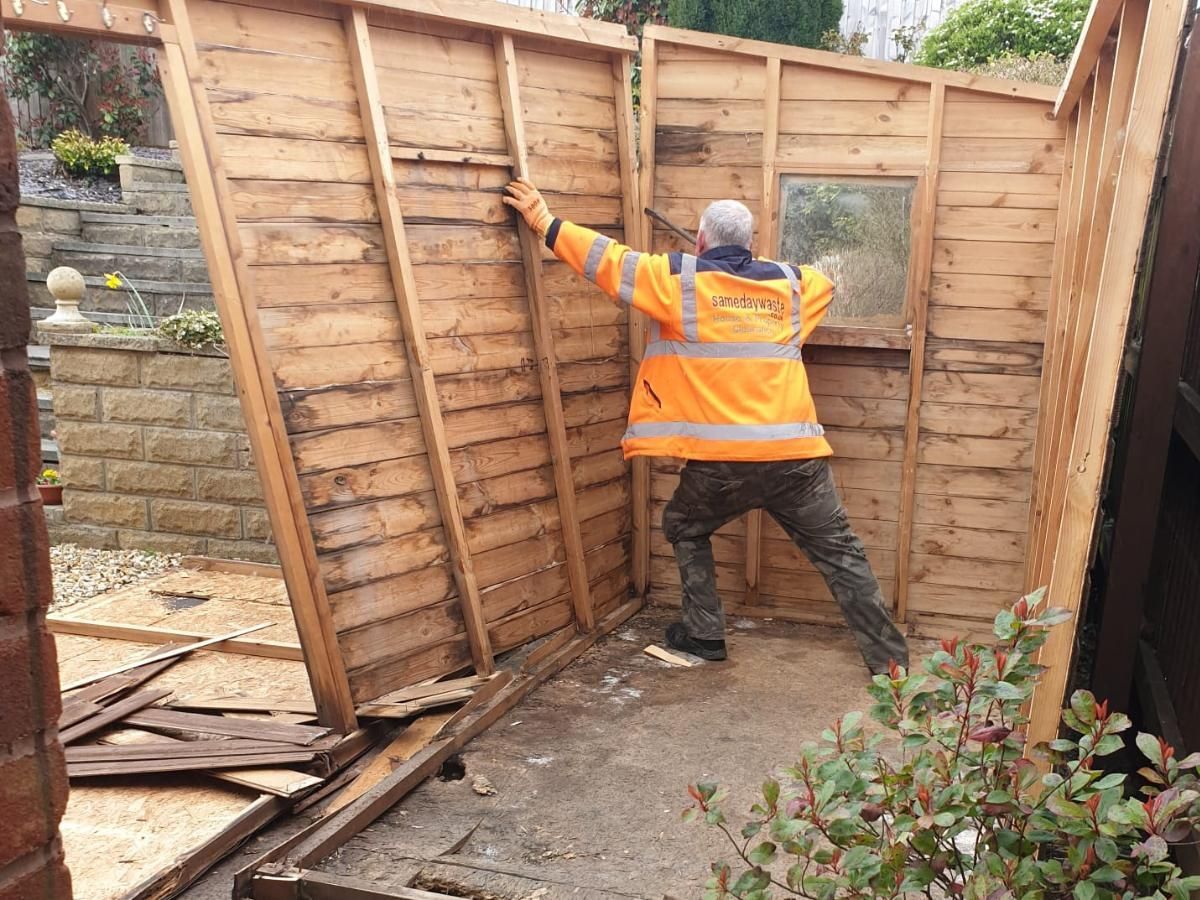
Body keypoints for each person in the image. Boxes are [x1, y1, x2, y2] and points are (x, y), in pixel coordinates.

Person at [502, 178, 909, 675]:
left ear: (700, 240)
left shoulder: (677, 280)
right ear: (750, 243)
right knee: (843, 554)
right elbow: (824, 285)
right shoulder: (791, 286)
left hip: (722, 466)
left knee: (682, 525)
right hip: (797, 462)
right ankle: (892, 666)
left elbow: (606, 260)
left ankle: (704, 635)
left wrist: (545, 222)